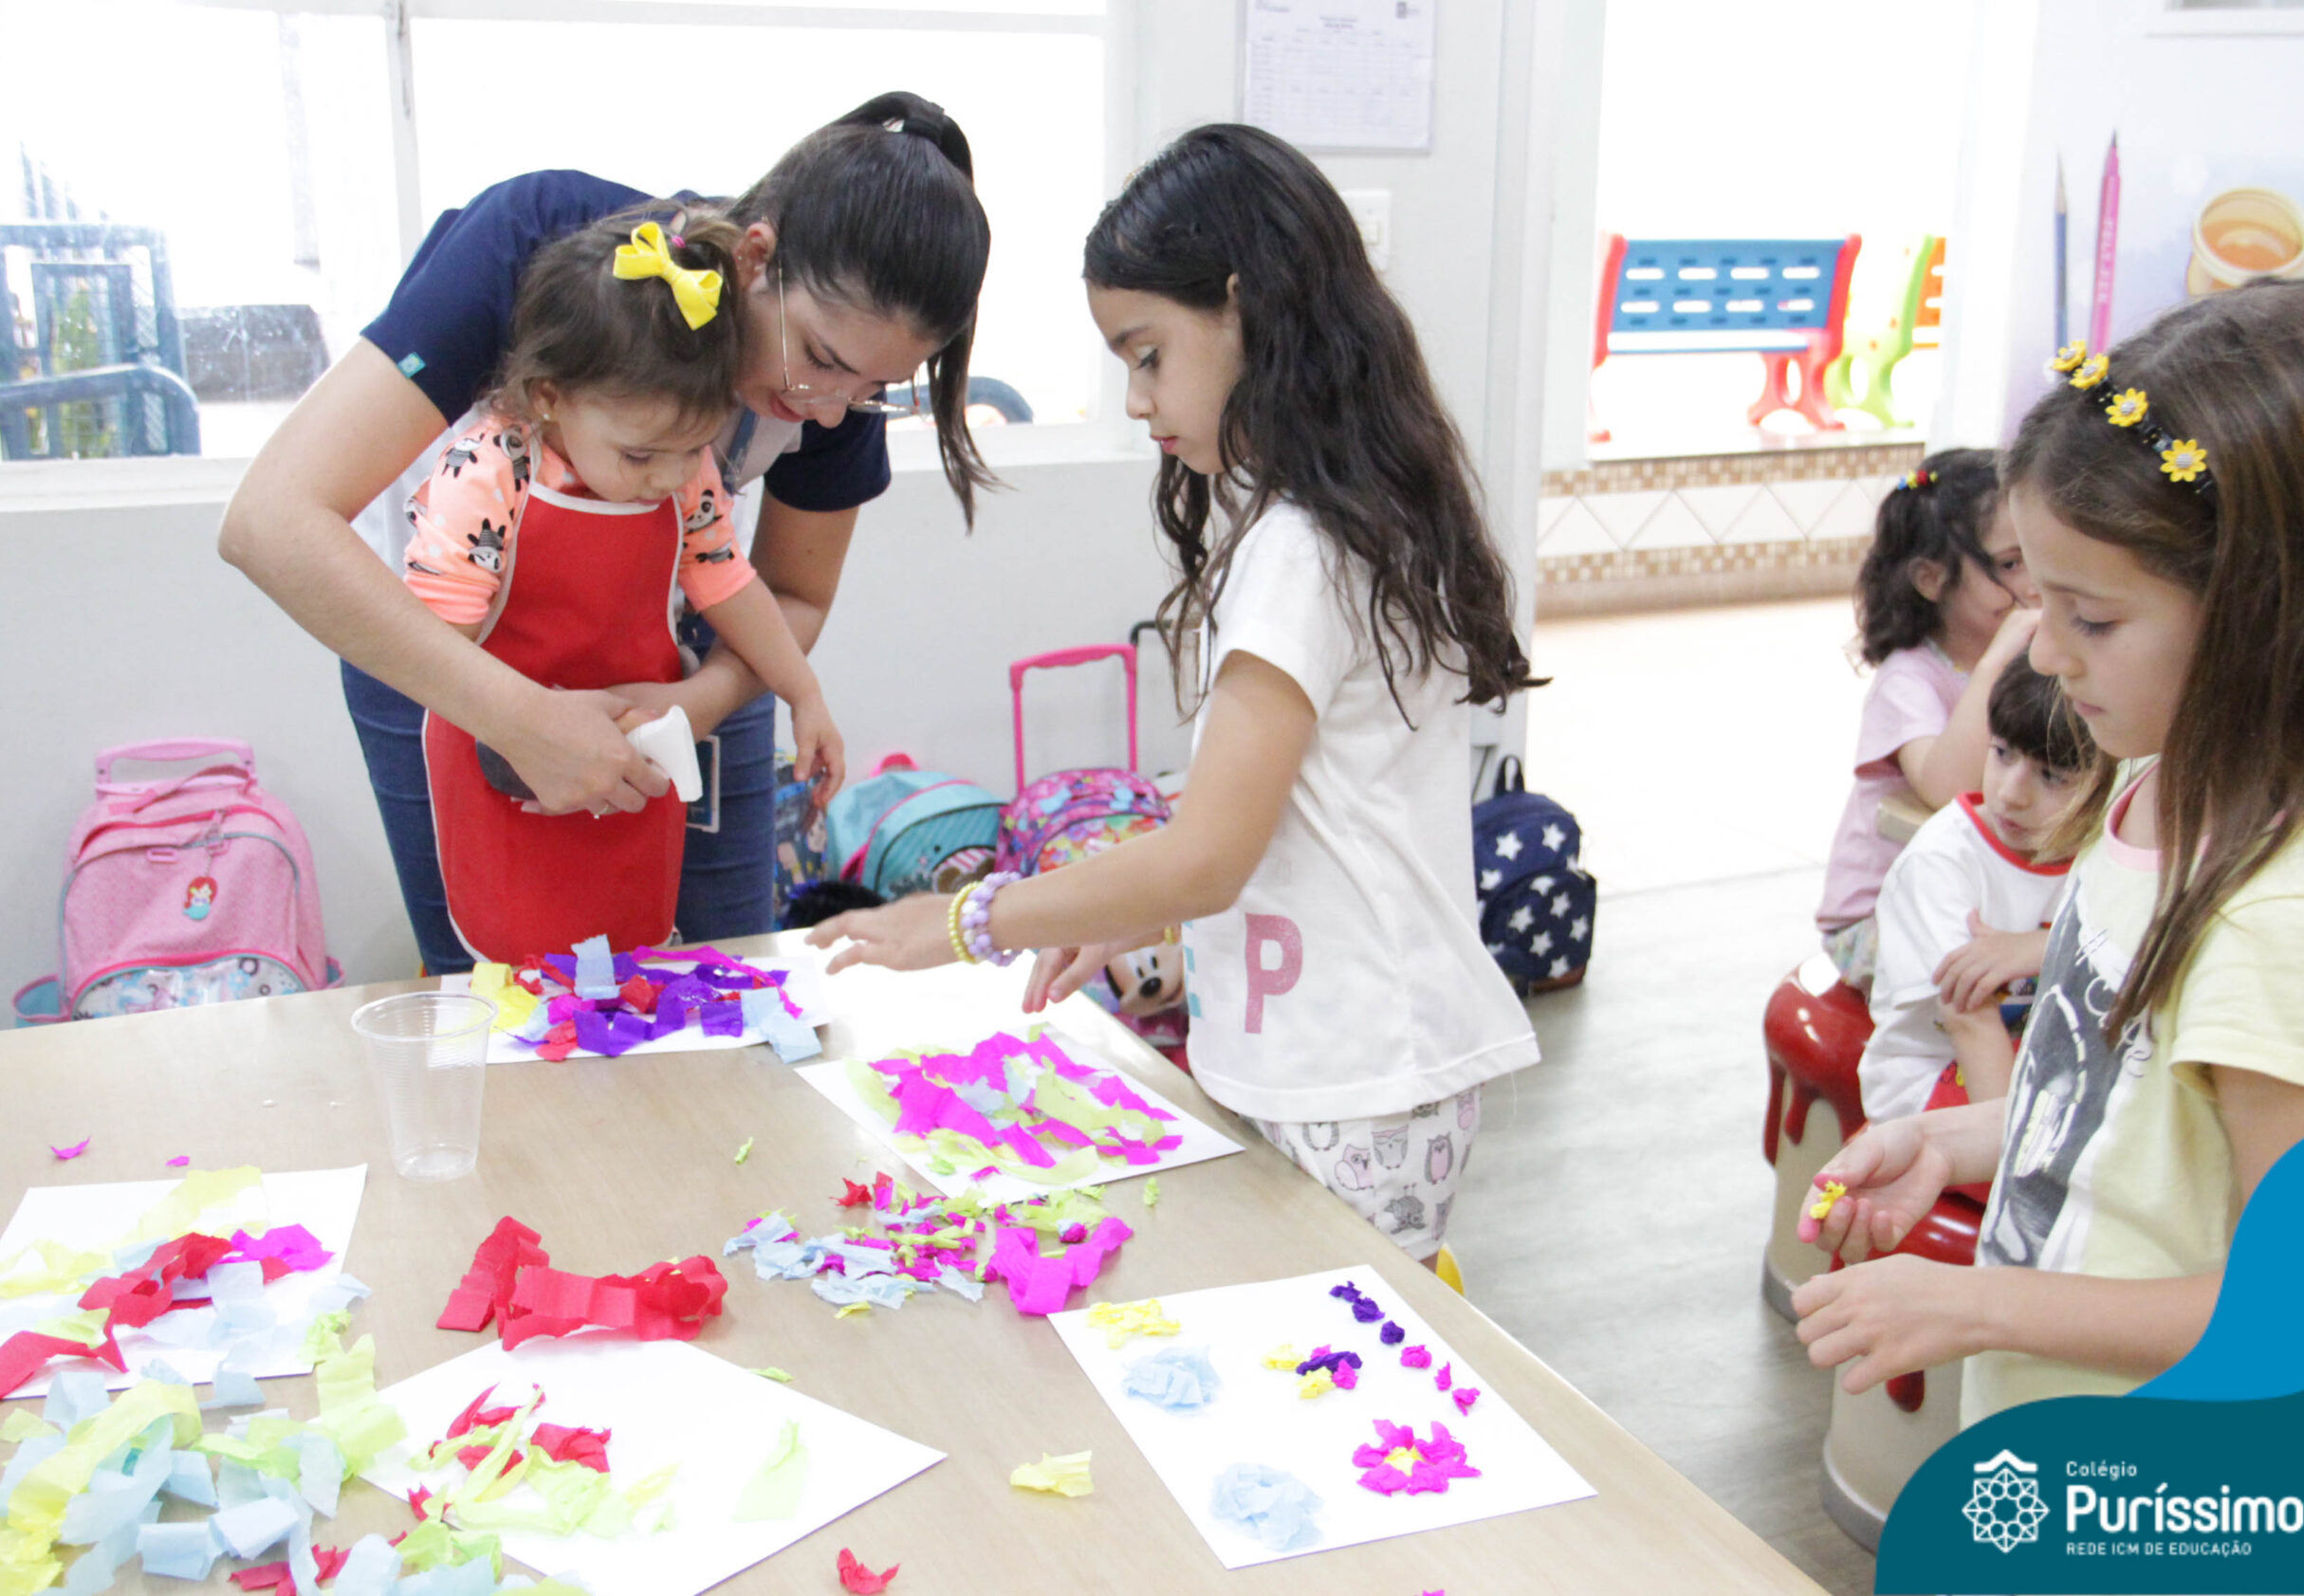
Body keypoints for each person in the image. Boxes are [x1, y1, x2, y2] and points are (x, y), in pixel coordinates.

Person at [808, 124, 1541, 1266]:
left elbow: (1207, 857)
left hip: (1357, 1072)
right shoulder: (1341, 521)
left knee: (1347, 1329)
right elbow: (1296, 827)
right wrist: (1123, 911)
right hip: (1344, 1059)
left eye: (1148, 355)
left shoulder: (1299, 549)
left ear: (1246, 307)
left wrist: (961, 921)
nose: (1140, 400)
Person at [1793, 281, 2304, 1423]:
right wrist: (1945, 1140)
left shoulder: (2286, 927)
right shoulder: (2145, 786)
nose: (2043, 654)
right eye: (2036, 602)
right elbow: (2115, 1122)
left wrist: (1977, 1305)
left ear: (2264, 612)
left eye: (2090, 619)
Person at [219, 91, 994, 974]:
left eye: (869, 391)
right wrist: (516, 718)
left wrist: (695, 704)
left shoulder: (837, 388)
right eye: (820, 360)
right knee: (505, 984)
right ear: (755, 257)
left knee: (711, 972)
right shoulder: (543, 249)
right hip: (445, 639)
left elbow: (789, 594)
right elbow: (270, 521)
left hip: (673, 650)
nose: (827, 412)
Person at [401, 213, 844, 963]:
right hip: (504, 766)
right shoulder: (488, 474)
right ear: (550, 396)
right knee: (518, 974)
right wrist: (525, 727)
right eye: (640, 456)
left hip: (636, 768)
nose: (670, 476)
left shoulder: (681, 470)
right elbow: (434, 647)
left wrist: (803, 692)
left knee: (631, 956)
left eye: (692, 449)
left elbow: (729, 581)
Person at [1816, 449, 2038, 987]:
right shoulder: (1908, 679)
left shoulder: (2034, 660)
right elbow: (1947, 788)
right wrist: (1997, 662)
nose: (2034, 581)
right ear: (1932, 579)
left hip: (1971, 893)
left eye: (2038, 554)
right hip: (1879, 916)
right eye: (2010, 564)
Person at [1857, 659, 2107, 1126]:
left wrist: (2043, 947)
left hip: (2043, 1061)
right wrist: (2014, 1154)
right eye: (2003, 753)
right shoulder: (1941, 862)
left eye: (2051, 775)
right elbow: (1967, 1019)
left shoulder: (2107, 849)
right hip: (1937, 1073)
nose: (2011, 793)